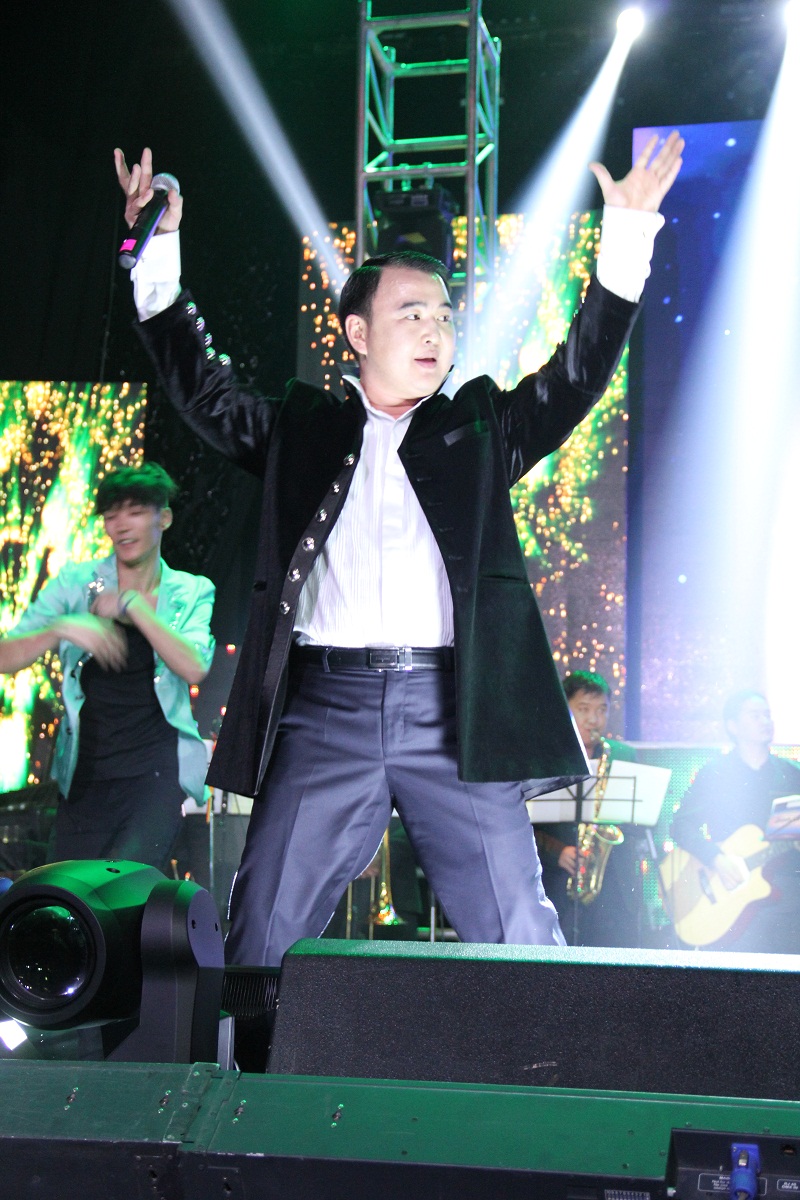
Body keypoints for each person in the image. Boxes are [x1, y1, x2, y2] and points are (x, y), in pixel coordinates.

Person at [115, 132, 683, 966]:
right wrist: (155, 249)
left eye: (445, 316)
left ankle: (543, 1052)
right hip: (325, 709)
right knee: (262, 925)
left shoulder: (480, 429)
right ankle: (248, 1051)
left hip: (451, 710)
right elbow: (201, 387)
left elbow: (574, 377)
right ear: (356, 330)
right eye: (411, 313)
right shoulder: (303, 430)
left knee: (519, 929)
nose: (433, 331)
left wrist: (626, 238)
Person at [0, 463, 215, 871]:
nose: (122, 525)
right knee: (66, 896)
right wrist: (61, 628)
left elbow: (194, 666)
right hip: (85, 779)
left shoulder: (191, 590)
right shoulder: (75, 583)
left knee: (121, 887)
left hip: (155, 779)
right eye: (112, 515)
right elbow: (4, 657)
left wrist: (133, 606)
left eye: (135, 512)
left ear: (164, 518)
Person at [669, 689, 800, 953]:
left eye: (767, 715)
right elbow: (680, 826)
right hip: (731, 898)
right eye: (755, 715)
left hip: (786, 895)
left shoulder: (791, 774)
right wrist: (715, 857)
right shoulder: (715, 772)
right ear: (733, 726)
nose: (765, 721)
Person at [533, 670, 642, 947]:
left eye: (601, 710)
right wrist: (558, 851)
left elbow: (638, 821)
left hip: (612, 890)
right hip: (557, 883)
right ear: (564, 709)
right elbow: (523, 824)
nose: (594, 719)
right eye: (583, 709)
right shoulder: (543, 758)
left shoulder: (622, 755)